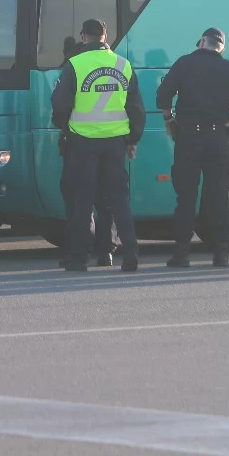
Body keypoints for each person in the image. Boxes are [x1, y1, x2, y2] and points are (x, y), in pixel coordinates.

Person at [156, 27, 229, 268]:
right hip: (218, 140)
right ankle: (221, 253)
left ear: (202, 42)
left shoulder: (184, 64)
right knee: (218, 197)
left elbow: (163, 96)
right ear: (221, 46)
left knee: (186, 197)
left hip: (189, 139)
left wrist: (169, 119)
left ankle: (182, 253)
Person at [51, 19, 144, 272]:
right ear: (106, 36)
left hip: (83, 142)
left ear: (83, 37)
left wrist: (63, 126)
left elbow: (60, 105)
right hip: (114, 143)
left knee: (83, 201)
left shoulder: (75, 64)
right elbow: (135, 107)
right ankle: (129, 254)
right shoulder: (123, 65)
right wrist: (132, 139)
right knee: (117, 201)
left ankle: (79, 259)